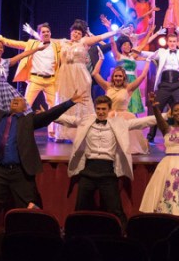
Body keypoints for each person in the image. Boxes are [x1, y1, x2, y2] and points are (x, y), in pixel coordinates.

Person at [0, 85, 86, 225]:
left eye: (20, 99)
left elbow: (50, 114)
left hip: (20, 172)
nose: (15, 100)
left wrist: (70, 102)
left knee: (29, 208)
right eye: (13, 99)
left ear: (25, 108)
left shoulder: (28, 120)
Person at [55, 93, 159, 225]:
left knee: (115, 209)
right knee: (80, 208)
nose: (100, 112)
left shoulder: (119, 123)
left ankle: (124, 234)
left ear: (109, 109)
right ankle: (74, 233)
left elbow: (142, 122)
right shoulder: (86, 121)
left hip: (108, 172)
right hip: (88, 171)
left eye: (103, 109)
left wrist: (165, 116)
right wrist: (49, 115)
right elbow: (67, 120)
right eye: (98, 109)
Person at [50, 19, 124, 142]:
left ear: (82, 35)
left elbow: (100, 37)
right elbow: (48, 40)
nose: (76, 35)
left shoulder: (83, 41)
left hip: (80, 74)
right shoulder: (63, 42)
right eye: (74, 32)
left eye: (79, 33)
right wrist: (34, 33)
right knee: (64, 100)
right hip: (65, 75)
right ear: (71, 32)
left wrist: (114, 32)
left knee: (81, 102)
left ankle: (83, 131)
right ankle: (63, 133)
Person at [0, 22, 62, 114]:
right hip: (35, 79)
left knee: (55, 108)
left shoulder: (56, 46)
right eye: (43, 32)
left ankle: (52, 129)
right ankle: (22, 126)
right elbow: (15, 43)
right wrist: (0, 38)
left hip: (51, 81)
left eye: (48, 31)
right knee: (26, 105)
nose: (46, 33)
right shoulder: (33, 44)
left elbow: (67, 45)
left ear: (50, 33)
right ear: (39, 34)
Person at [91, 51, 152, 154]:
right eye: (116, 76)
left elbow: (142, 76)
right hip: (108, 115)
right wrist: (101, 59)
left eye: (120, 76)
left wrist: (148, 61)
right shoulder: (107, 86)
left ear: (124, 77)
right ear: (113, 77)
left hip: (123, 116)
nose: (118, 78)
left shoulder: (128, 88)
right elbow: (95, 74)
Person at [110, 35, 145, 115]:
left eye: (129, 44)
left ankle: (133, 123)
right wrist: (109, 29)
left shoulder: (132, 56)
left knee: (133, 104)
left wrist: (150, 32)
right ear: (120, 46)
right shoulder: (118, 56)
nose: (127, 46)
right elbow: (112, 43)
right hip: (123, 81)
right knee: (123, 103)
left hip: (133, 81)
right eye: (125, 44)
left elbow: (142, 45)